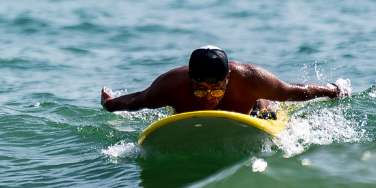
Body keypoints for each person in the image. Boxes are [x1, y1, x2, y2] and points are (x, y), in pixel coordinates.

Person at [100, 46, 349, 115]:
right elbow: (137, 100)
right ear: (189, 79)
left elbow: (291, 91)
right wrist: (110, 104)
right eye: (200, 89)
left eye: (216, 88)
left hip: (253, 111)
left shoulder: (250, 79)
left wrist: (333, 90)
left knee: (271, 102)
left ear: (228, 79)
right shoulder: (170, 86)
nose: (209, 97)